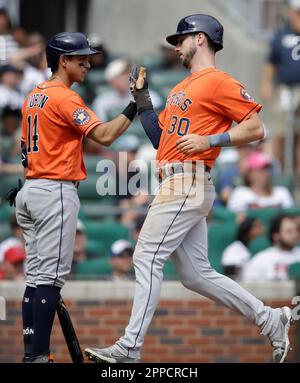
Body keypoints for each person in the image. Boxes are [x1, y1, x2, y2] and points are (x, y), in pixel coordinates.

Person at [85, 15, 293, 364]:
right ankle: (270, 319)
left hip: (188, 180)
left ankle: (129, 348)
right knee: (197, 275)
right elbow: (159, 139)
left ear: (200, 39)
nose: (175, 46)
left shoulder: (218, 81)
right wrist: (142, 99)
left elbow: (255, 128)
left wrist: (211, 139)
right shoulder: (183, 87)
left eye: (180, 39)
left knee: (146, 257)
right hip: (177, 178)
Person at [12, 32, 138, 363]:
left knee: (36, 278)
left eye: (88, 56)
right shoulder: (66, 98)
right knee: (50, 281)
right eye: (79, 56)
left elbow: (25, 150)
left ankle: (31, 353)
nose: (87, 61)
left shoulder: (33, 96)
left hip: (30, 190)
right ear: (62, 61)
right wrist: (135, 104)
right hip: (54, 190)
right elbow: (106, 136)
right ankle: (38, 356)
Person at [260, 0, 300, 173]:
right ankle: (281, 173)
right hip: (284, 88)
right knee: (280, 132)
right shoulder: (281, 35)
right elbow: (271, 63)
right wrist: (266, 84)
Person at [92, 58, 162, 122]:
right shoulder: (102, 101)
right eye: (122, 74)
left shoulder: (147, 94)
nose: (128, 77)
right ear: (111, 80)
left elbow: (156, 119)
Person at [227, 151, 294, 212]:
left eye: (266, 168)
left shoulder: (282, 192)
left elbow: (292, 218)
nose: (265, 172)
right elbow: (234, 221)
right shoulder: (240, 193)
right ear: (249, 174)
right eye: (260, 169)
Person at [243, 215, 300, 282]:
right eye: (289, 231)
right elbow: (248, 285)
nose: (295, 235)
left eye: (296, 230)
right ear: (276, 236)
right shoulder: (261, 259)